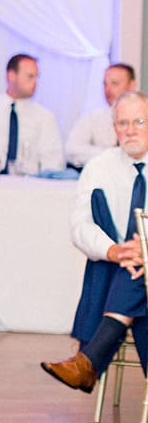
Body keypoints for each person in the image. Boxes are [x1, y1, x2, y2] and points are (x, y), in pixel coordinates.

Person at [42, 90, 148, 392]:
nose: (129, 130)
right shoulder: (99, 168)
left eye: (138, 122)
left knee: (136, 268)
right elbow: (80, 227)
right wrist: (115, 251)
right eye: (122, 123)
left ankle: (88, 362)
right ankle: (88, 362)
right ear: (114, 128)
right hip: (123, 269)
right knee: (132, 269)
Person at [65, 63, 135, 170]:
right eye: (105, 84)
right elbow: (71, 150)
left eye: (115, 83)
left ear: (132, 85)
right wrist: (112, 154)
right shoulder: (93, 118)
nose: (108, 90)